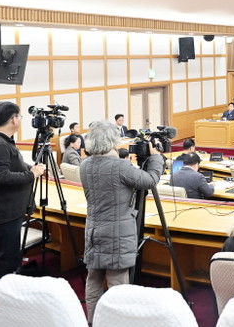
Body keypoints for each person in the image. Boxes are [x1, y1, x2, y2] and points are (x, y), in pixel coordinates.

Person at [79, 119, 163, 322]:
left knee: (94, 277)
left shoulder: (85, 165)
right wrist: (156, 158)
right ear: (112, 141)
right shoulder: (120, 167)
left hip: (93, 228)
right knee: (117, 281)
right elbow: (150, 180)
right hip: (117, 231)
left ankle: (93, 320)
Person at [0, 101, 46, 281]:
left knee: (9, 255)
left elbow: (12, 165)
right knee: (7, 260)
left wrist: (31, 168)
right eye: (19, 117)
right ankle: (4, 292)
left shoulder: (0, 140)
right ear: (13, 119)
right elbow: (2, 177)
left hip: (5, 209)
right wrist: (32, 174)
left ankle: (10, 284)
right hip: (4, 212)